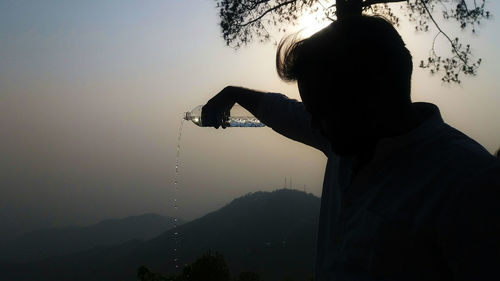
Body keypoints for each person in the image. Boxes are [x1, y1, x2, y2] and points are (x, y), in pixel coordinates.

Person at [202, 15, 500, 281]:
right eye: (311, 111)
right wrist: (234, 93)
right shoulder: (345, 137)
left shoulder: (469, 183)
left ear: (373, 94)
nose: (314, 125)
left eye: (323, 111)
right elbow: (281, 110)